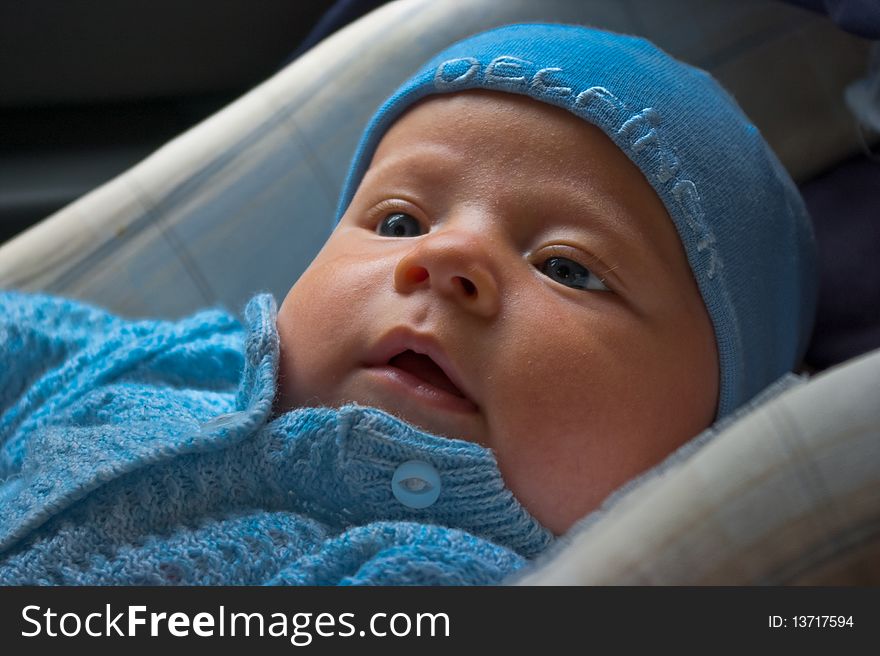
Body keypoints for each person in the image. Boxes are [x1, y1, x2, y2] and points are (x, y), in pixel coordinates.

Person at [0, 23, 816, 585]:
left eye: (568, 269)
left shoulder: (445, 574)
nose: (447, 257)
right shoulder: (189, 362)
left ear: (705, 446)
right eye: (399, 221)